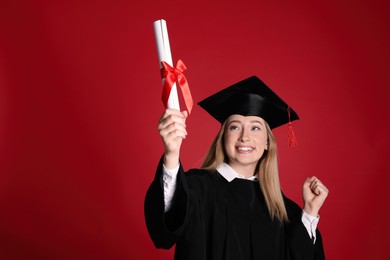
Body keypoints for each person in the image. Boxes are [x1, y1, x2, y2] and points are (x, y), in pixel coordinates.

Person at [144, 76, 329, 260]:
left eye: (255, 128)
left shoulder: (282, 209)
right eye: (234, 127)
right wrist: (171, 153)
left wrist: (310, 212)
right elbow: (165, 230)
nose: (244, 137)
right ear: (223, 138)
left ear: (267, 143)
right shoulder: (197, 189)